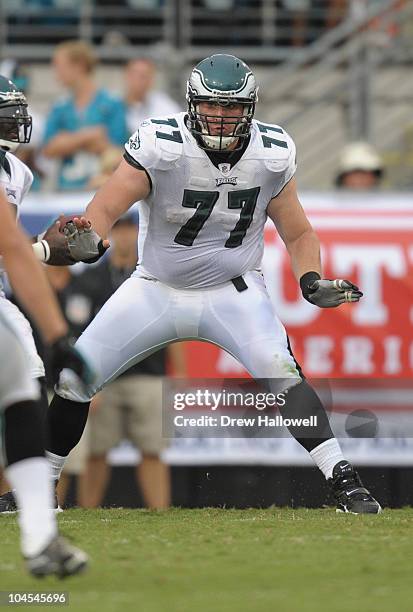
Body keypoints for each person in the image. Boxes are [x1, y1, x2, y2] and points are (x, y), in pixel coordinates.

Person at [2, 54, 381, 514]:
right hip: (155, 288)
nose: (221, 117)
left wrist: (310, 278)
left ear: (251, 109)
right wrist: (91, 236)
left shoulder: (272, 151)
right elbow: (104, 206)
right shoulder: (162, 143)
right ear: (191, 104)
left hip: (233, 290)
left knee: (281, 373)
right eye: (211, 106)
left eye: (232, 108)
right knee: (74, 379)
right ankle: (40, 491)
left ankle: (344, 480)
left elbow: (299, 232)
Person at [0, 186, 91, 577]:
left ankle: (39, 536)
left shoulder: (14, 170)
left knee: (25, 390)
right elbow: (12, 248)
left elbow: (11, 250)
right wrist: (57, 337)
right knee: (25, 395)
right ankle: (39, 539)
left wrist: (38, 250)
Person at [42, 40, 127, 191]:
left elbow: (116, 149)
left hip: (102, 187)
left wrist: (66, 140)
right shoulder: (60, 106)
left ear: (79, 66)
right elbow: (49, 148)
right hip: (67, 189)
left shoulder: (112, 103)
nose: (55, 72)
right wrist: (89, 135)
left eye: (59, 65)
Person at [124, 58, 180, 136]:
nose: (138, 80)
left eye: (144, 76)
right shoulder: (113, 106)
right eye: (135, 74)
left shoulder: (164, 105)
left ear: (151, 79)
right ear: (127, 76)